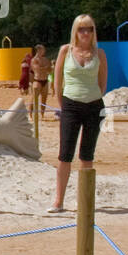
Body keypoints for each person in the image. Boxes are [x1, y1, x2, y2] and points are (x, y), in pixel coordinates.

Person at [48, 16, 107, 213]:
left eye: (89, 29)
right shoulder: (66, 50)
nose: (85, 33)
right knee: (65, 155)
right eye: (81, 29)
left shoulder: (99, 53)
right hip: (71, 104)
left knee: (87, 155)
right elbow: (57, 82)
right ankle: (59, 200)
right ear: (75, 31)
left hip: (93, 105)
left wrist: (93, 97)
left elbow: (102, 84)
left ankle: (84, 200)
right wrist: (63, 105)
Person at [30, 44, 51, 120]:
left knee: (44, 99)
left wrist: (46, 68)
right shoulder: (34, 60)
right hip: (37, 80)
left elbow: (50, 70)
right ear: (38, 50)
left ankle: (42, 114)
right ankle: (31, 114)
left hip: (45, 80)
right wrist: (46, 67)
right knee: (34, 98)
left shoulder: (45, 59)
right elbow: (37, 69)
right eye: (43, 49)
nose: (44, 51)